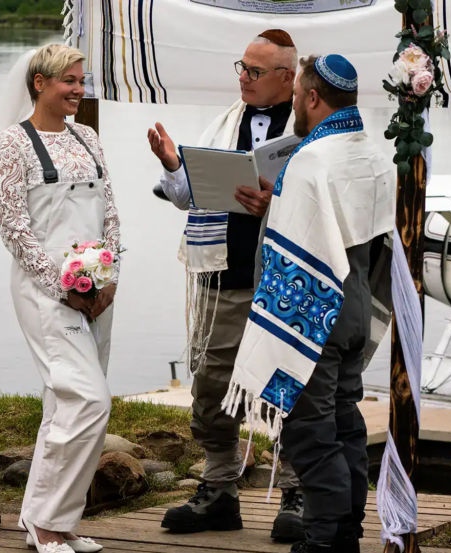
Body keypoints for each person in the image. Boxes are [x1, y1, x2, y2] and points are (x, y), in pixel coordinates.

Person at [222, 54, 396, 553]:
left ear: (313, 98)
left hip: (314, 311)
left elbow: (296, 247)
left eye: (297, 95)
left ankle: (322, 540)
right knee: (345, 423)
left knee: (308, 430)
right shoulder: (373, 154)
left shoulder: (311, 160)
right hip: (357, 302)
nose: (295, 104)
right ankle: (346, 533)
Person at [146, 29, 305, 541]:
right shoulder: (223, 124)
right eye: (242, 67)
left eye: (255, 71)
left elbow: (327, 200)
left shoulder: (310, 127)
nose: (243, 78)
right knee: (212, 386)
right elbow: (187, 196)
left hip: (286, 280)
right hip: (224, 275)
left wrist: (274, 203)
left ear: (288, 77)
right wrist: (173, 164)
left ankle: (298, 492)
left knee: (290, 384)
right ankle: (219, 490)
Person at [0, 44, 120, 553]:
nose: (78, 89)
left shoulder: (88, 137)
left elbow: (110, 211)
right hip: (45, 292)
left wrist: (107, 278)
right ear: (39, 83)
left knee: (63, 406)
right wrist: (64, 287)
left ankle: (54, 522)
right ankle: (46, 524)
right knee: (88, 400)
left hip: (98, 290)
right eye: (69, 80)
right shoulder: (12, 144)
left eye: (81, 80)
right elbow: (14, 228)